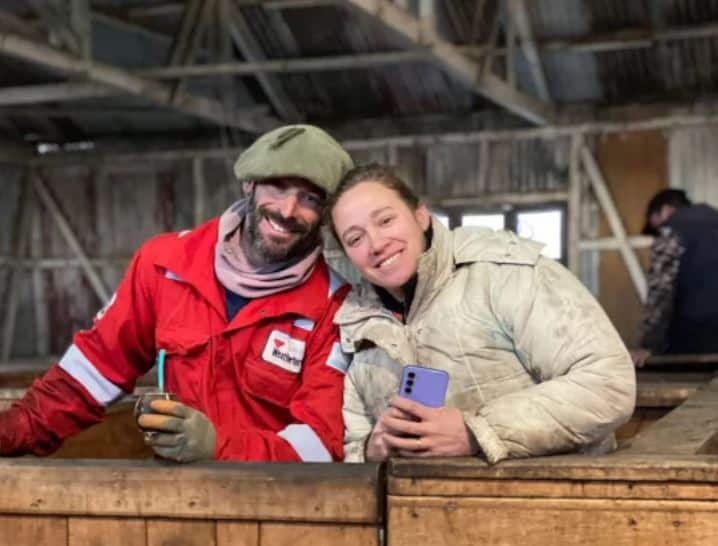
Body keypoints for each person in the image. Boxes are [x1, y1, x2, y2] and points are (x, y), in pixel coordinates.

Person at [0, 124, 355, 463]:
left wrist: (218, 447)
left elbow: (320, 445)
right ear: (249, 184)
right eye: (277, 186)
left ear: (326, 216)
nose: (288, 210)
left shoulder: (335, 307)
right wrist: (11, 431)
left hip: (278, 500)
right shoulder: (165, 266)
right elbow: (90, 373)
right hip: (178, 494)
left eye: (310, 199)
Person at [327, 164, 636, 463]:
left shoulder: (503, 274)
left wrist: (478, 431)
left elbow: (608, 382)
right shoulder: (358, 323)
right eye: (355, 239)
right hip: (421, 498)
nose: (376, 244)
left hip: (554, 494)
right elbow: (351, 443)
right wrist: (371, 449)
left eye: (385, 221)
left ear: (421, 216)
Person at [632, 189, 718, 367]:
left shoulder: (670, 231)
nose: (657, 233)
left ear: (665, 211)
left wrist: (648, 344)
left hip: (696, 333)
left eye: (655, 226)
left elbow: (660, 291)